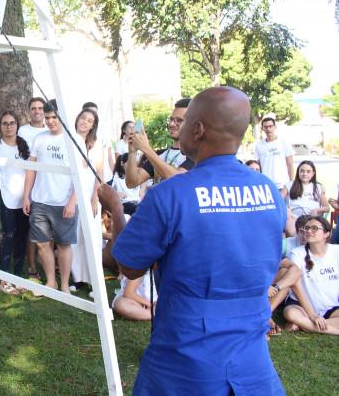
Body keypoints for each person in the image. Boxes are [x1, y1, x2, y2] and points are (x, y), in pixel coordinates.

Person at [112, 86, 286, 395]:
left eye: (185, 120)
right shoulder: (268, 190)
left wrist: (114, 207)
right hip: (252, 357)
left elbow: (128, 265)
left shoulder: (171, 194)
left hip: (185, 356)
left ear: (199, 129)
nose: (178, 129)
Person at [22, 100, 79, 294]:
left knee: (64, 244)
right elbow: (31, 169)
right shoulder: (39, 138)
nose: (51, 121)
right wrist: (26, 196)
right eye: (47, 118)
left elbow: (81, 177)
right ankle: (51, 282)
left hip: (64, 202)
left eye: (54, 117)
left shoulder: (74, 140)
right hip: (40, 200)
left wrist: (72, 201)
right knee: (42, 243)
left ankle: (64, 285)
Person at [0, 111, 30, 295]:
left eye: (12, 123)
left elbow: (30, 173)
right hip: (7, 201)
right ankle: (3, 279)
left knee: (21, 238)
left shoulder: (24, 145)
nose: (9, 126)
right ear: (0, 126)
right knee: (8, 238)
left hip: (25, 201)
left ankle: (18, 276)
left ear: (17, 125)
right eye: (5, 123)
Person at [283, 216, 339, 335]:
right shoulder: (297, 254)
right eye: (307, 228)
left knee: (295, 318)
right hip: (301, 306)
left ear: (326, 234)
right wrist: (313, 316)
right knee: (290, 313)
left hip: (331, 306)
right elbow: (295, 286)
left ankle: (306, 325)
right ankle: (328, 327)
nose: (308, 231)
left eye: (314, 228)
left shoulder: (336, 252)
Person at [125, 98, 195, 189]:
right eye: (171, 120)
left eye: (179, 120)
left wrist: (146, 148)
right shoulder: (159, 154)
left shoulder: (195, 155)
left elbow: (178, 180)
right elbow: (131, 182)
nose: (172, 124)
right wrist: (132, 152)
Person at [71, 107, 103, 292]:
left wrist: (94, 198)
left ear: (93, 126)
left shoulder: (96, 144)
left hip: (90, 194)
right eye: (83, 118)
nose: (85, 122)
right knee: (75, 238)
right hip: (73, 195)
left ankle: (94, 281)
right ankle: (77, 278)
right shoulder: (68, 140)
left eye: (89, 121)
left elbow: (99, 173)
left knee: (92, 238)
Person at [17, 97, 46, 279]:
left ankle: (48, 263)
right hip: (28, 182)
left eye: (40, 108)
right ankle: (32, 266)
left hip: (47, 185)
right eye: (33, 108)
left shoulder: (50, 129)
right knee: (30, 228)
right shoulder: (23, 131)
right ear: (29, 111)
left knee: (46, 228)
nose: (37, 111)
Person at [254, 117, 294, 197]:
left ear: (275, 127)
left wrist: (291, 182)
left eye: (270, 126)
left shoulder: (284, 142)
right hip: (266, 185)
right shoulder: (258, 145)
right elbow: (258, 166)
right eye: (265, 127)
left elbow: (290, 164)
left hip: (283, 185)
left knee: (284, 208)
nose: (268, 129)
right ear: (262, 128)